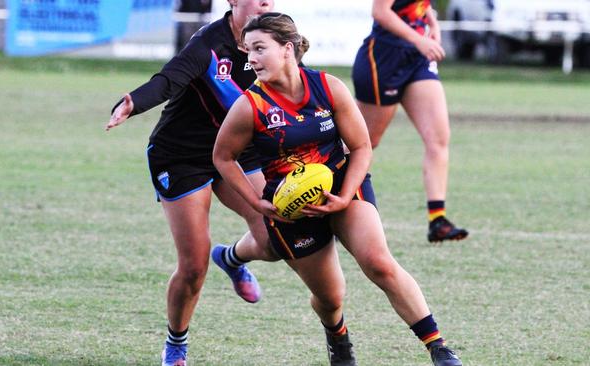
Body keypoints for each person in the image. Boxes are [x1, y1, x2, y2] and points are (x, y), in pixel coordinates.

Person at [213, 12, 462, 366]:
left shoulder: (328, 87)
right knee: (331, 298)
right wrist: (255, 201)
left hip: (343, 184)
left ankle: (438, 348)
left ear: (287, 49)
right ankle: (338, 336)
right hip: (292, 209)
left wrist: (345, 196)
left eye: (259, 49)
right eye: (247, 51)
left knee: (379, 263)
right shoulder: (249, 106)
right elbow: (223, 157)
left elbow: (361, 147)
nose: (250, 59)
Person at [105, 1, 280, 365]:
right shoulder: (209, 44)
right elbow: (169, 79)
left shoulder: (273, 37)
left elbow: (297, 83)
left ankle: (230, 259)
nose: (267, 3)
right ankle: (176, 345)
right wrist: (132, 103)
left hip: (234, 150)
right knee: (194, 265)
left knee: (274, 237)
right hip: (182, 154)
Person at [352, 0, 468, 243]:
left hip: (417, 59)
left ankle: (438, 220)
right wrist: (419, 39)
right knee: (363, 142)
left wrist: (432, 22)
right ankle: (332, 206)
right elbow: (380, 12)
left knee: (438, 138)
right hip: (384, 59)